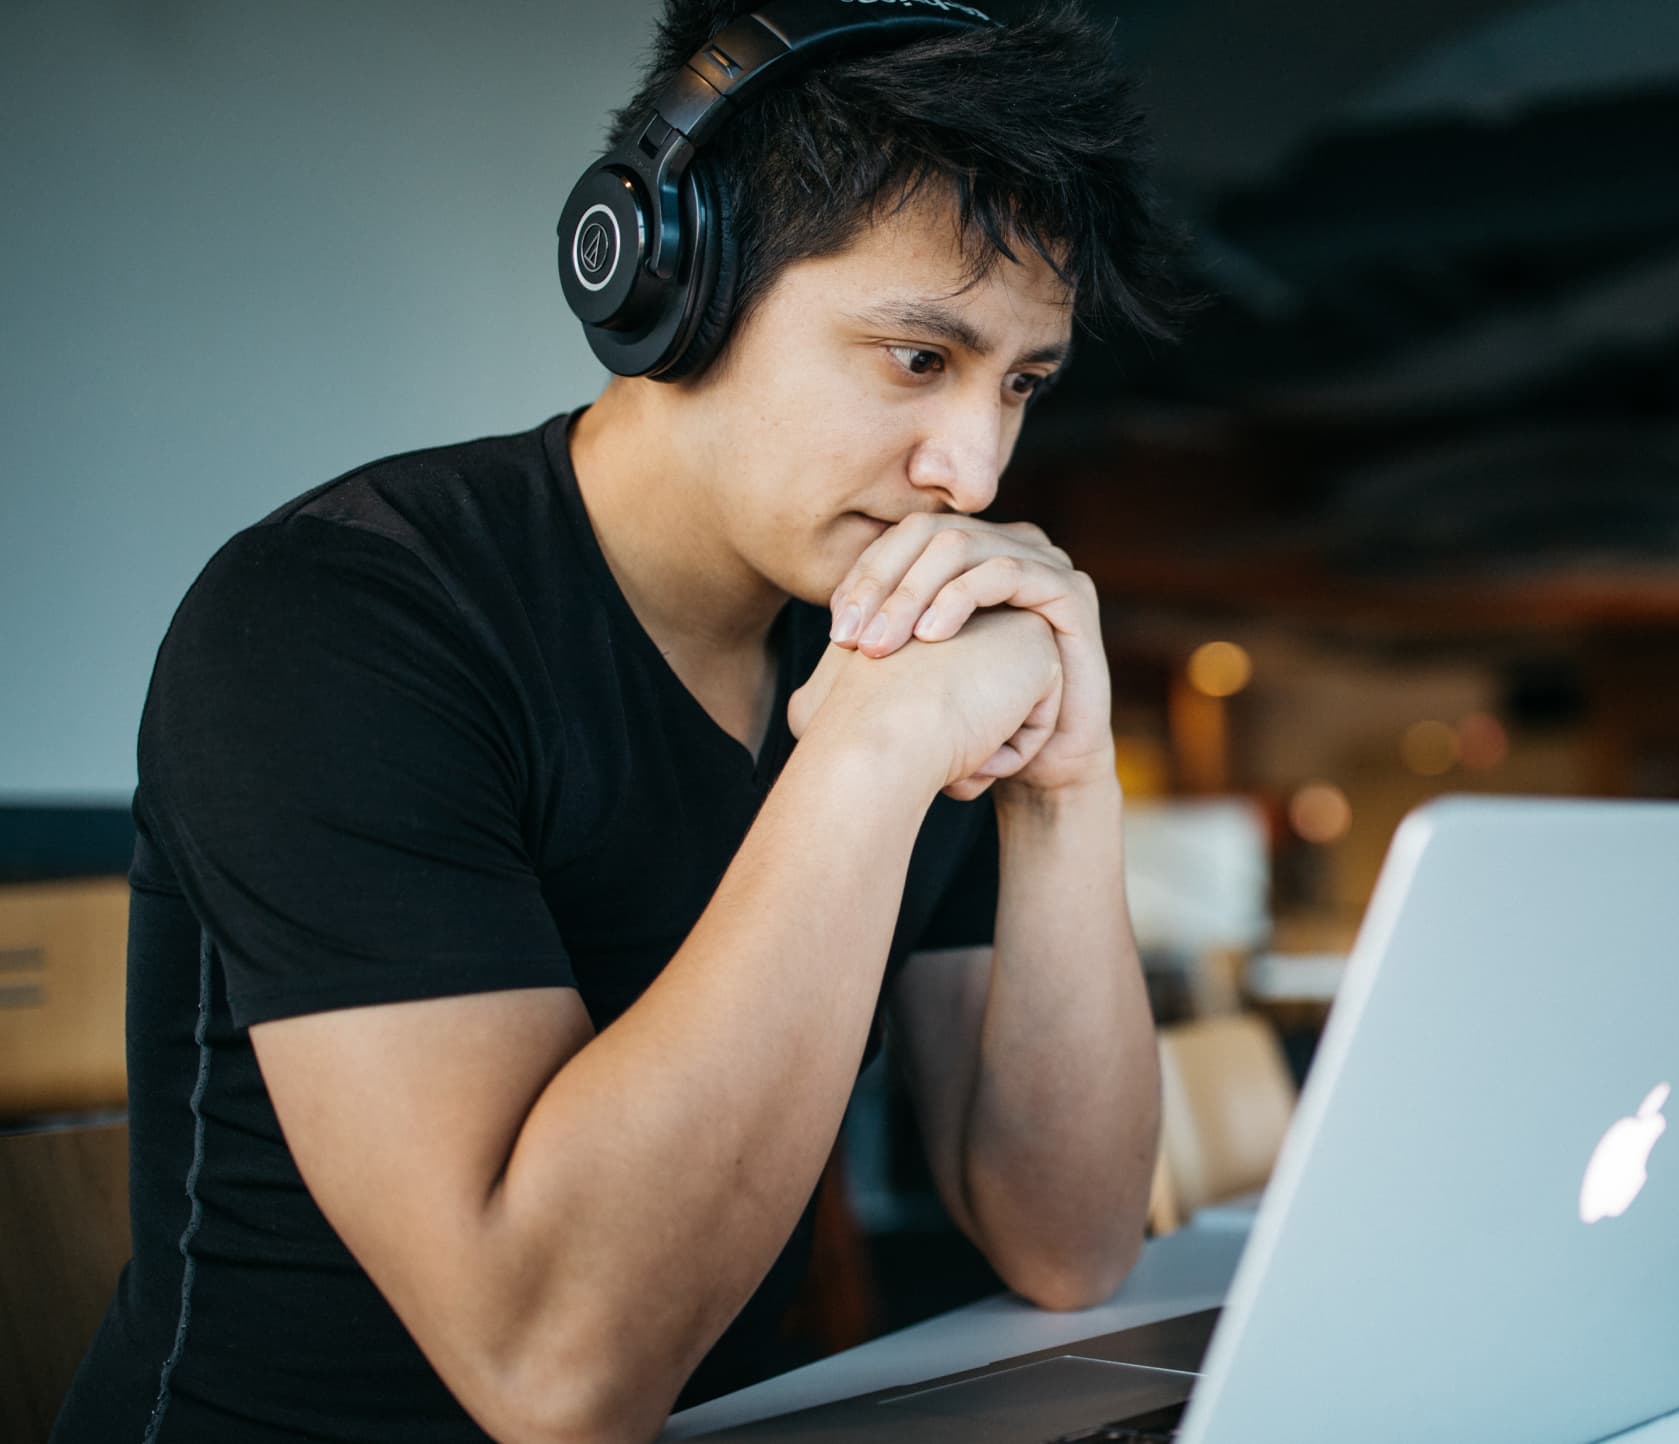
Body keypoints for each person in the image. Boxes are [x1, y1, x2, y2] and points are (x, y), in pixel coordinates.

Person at [54, 2, 1195, 1439]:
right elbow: (554, 1372)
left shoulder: (893, 637)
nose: (971, 469)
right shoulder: (335, 620)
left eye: (1021, 384)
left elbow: (1070, 1241)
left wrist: (1063, 784)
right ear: (677, 285)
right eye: (919, 357)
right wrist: (871, 753)